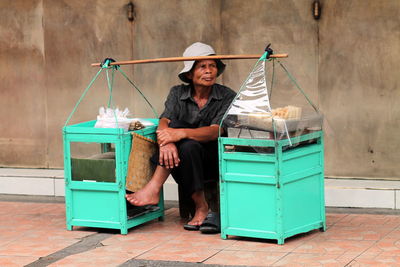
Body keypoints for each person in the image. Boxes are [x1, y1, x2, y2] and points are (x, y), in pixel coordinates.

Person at [126, 42, 236, 231]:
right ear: (189, 74)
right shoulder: (177, 93)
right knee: (185, 145)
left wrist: (180, 134)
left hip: (212, 159)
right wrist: (166, 142)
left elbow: (215, 131)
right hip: (183, 158)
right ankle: (201, 206)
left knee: (183, 137)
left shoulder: (226, 96)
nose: (209, 71)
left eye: (212, 66)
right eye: (202, 66)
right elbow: (164, 121)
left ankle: (155, 187)